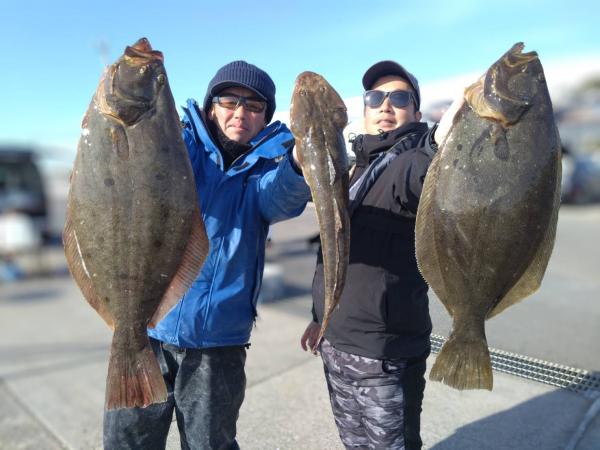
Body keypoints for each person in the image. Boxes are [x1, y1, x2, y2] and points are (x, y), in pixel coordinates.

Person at [104, 61, 311, 450]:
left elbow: (280, 197)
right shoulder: (177, 146)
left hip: (218, 343)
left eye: (254, 106)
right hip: (147, 331)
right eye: (230, 101)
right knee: (128, 442)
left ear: (266, 116)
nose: (240, 113)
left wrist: (300, 164)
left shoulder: (267, 170)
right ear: (210, 106)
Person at [300, 60, 444, 450]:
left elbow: (423, 173)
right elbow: (331, 252)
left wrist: (444, 135)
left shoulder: (415, 160)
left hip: (384, 356)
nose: (386, 106)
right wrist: (319, 316)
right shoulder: (352, 170)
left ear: (417, 113)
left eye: (400, 98)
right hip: (336, 342)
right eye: (375, 98)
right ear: (363, 109)